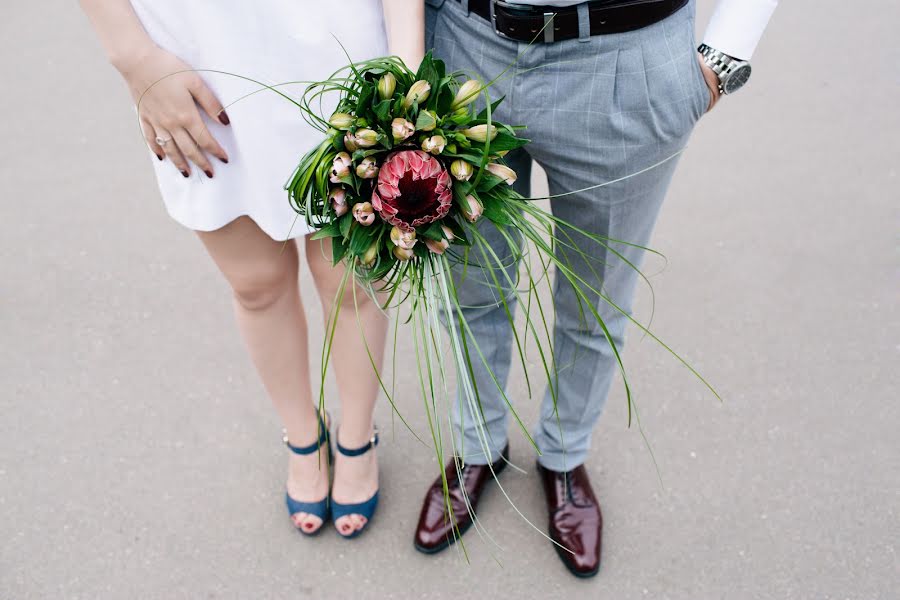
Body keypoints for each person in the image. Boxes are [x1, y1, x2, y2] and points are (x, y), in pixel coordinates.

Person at [415, 0, 777, 576]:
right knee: (467, 280)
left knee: (596, 294)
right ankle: (477, 443)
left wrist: (723, 55)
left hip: (626, 57)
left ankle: (563, 454)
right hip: (464, 43)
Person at [79, 0, 424, 539]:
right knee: (257, 285)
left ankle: (356, 436)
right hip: (194, 66)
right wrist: (135, 58)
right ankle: (303, 437)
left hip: (342, 49)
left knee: (351, 281)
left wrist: (406, 69)